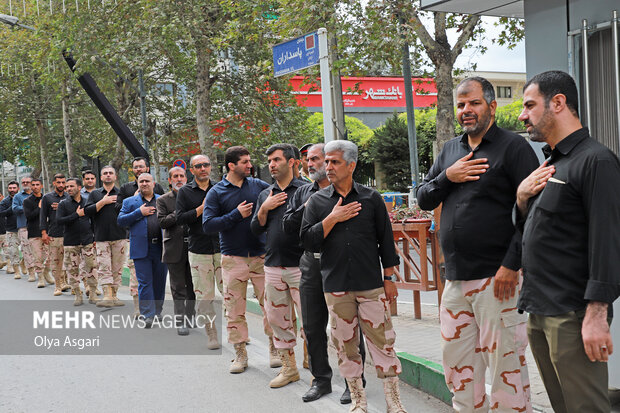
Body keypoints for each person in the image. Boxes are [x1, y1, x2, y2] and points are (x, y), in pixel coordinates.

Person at [416, 76, 538, 412]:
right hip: (455, 280)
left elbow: (532, 213)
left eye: (474, 103)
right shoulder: (450, 151)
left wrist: (512, 265)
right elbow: (424, 197)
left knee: (505, 370)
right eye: (461, 104)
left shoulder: (514, 148)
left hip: (498, 280)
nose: (466, 110)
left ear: (492, 107)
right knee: (458, 370)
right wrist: (447, 176)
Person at [515, 70, 620, 413]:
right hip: (540, 310)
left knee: (586, 409)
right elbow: (531, 230)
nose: (522, 115)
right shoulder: (551, 163)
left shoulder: (596, 161)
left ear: (558, 103)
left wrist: (597, 313)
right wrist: (521, 198)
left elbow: (608, 240)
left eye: (529, 105)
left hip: (572, 315)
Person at [300, 140, 406, 413]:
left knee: (383, 343)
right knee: (346, 347)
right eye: (327, 162)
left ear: (351, 165)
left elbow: (385, 241)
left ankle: (394, 402)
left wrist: (389, 279)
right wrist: (331, 218)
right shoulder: (318, 201)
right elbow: (308, 241)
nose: (328, 167)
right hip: (335, 287)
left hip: (370, 285)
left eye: (335, 162)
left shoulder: (371, 198)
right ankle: (359, 401)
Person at [283, 143, 367, 403]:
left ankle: (353, 381)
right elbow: (289, 227)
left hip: (342, 265)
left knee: (347, 325)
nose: (312, 164)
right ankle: (321, 380)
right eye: (308, 160)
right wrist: (306, 207)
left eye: (317, 159)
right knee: (311, 325)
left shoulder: (355, 192)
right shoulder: (302, 192)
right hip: (311, 264)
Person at [203, 145, 275, 374]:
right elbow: (208, 225)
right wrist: (236, 215)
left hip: (262, 257)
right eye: (245, 162)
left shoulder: (259, 186)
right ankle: (240, 355)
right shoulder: (216, 192)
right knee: (234, 310)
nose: (250, 165)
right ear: (231, 166)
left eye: (249, 160)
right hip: (233, 259)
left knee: (271, 307)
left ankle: (276, 349)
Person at [251, 144, 307, 388]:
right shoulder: (266, 193)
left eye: (276, 160)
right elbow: (256, 228)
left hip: (302, 266)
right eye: (270, 161)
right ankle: (289, 368)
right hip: (273, 266)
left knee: (309, 320)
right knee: (278, 319)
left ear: (292, 162)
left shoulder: (307, 190)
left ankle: (316, 367)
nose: (271, 165)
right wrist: (264, 208)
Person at [176, 155, 222, 348]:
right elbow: (179, 218)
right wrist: (201, 209)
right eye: (198, 166)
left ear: (210, 167)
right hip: (198, 250)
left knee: (231, 292)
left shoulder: (220, 188)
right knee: (204, 295)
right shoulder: (185, 192)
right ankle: (211, 333)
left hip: (222, 247)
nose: (203, 168)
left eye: (206, 165)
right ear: (192, 170)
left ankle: (239, 332)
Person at [116, 157, 165, 312]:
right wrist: (139, 212)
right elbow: (121, 220)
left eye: (147, 181)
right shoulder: (129, 202)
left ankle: (157, 311)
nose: (144, 183)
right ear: (137, 183)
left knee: (159, 281)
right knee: (144, 282)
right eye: (141, 181)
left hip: (162, 248)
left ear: (153, 184)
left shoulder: (163, 200)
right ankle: (147, 314)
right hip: (141, 248)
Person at [157, 166, 194, 336]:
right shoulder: (163, 200)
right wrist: (179, 214)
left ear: (186, 178)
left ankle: (190, 316)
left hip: (194, 247)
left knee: (193, 286)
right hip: (174, 248)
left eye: (182, 176)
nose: (179, 179)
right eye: (175, 176)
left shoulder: (192, 197)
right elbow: (162, 222)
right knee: (178, 287)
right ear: (170, 180)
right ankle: (181, 321)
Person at [84, 166, 127, 309]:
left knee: (117, 267)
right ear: (101, 177)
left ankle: (114, 295)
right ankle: (107, 295)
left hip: (120, 236)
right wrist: (103, 202)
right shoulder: (95, 194)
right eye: (105, 173)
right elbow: (87, 211)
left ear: (115, 177)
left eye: (110, 173)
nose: (108, 175)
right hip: (101, 237)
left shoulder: (122, 193)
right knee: (103, 266)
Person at [56, 178, 99, 306]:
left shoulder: (87, 202)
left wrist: (94, 237)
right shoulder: (63, 204)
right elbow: (59, 221)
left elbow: (94, 221)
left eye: (71, 186)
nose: (68, 189)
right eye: (67, 187)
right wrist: (76, 215)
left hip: (87, 241)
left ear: (79, 187)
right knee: (72, 270)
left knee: (91, 268)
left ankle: (92, 293)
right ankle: (78, 294)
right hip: (71, 242)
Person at [40, 173, 70, 296]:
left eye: (63, 182)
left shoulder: (69, 197)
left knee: (68, 261)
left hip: (69, 234)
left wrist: (62, 207)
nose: (61, 185)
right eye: (59, 182)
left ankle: (66, 283)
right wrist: (43, 233)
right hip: (54, 234)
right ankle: (57, 286)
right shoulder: (47, 198)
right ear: (54, 183)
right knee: (56, 262)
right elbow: (43, 217)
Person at [22, 178, 51, 288]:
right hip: (34, 232)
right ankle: (41, 278)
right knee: (37, 257)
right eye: (33, 185)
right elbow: (29, 216)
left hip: (48, 231)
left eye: (37, 184)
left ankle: (47, 271)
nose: (35, 187)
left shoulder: (47, 198)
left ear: (41, 186)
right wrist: (39, 208)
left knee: (51, 256)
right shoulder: (27, 201)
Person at [12, 176, 33, 279]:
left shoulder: (38, 195)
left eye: (27, 182)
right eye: (23, 182)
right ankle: (32, 272)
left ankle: (24, 262)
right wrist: (27, 207)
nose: (25, 183)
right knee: (26, 249)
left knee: (39, 250)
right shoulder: (17, 196)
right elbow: (15, 208)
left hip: (37, 227)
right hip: (23, 226)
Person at [0, 181, 20, 276]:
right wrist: (13, 207)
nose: (12, 190)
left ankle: (24, 263)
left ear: (18, 188)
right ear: (8, 189)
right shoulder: (5, 201)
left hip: (24, 228)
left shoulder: (23, 198)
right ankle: (12, 268)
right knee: (12, 250)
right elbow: (2, 213)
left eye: (14, 188)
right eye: (10, 188)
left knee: (28, 250)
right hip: (10, 229)